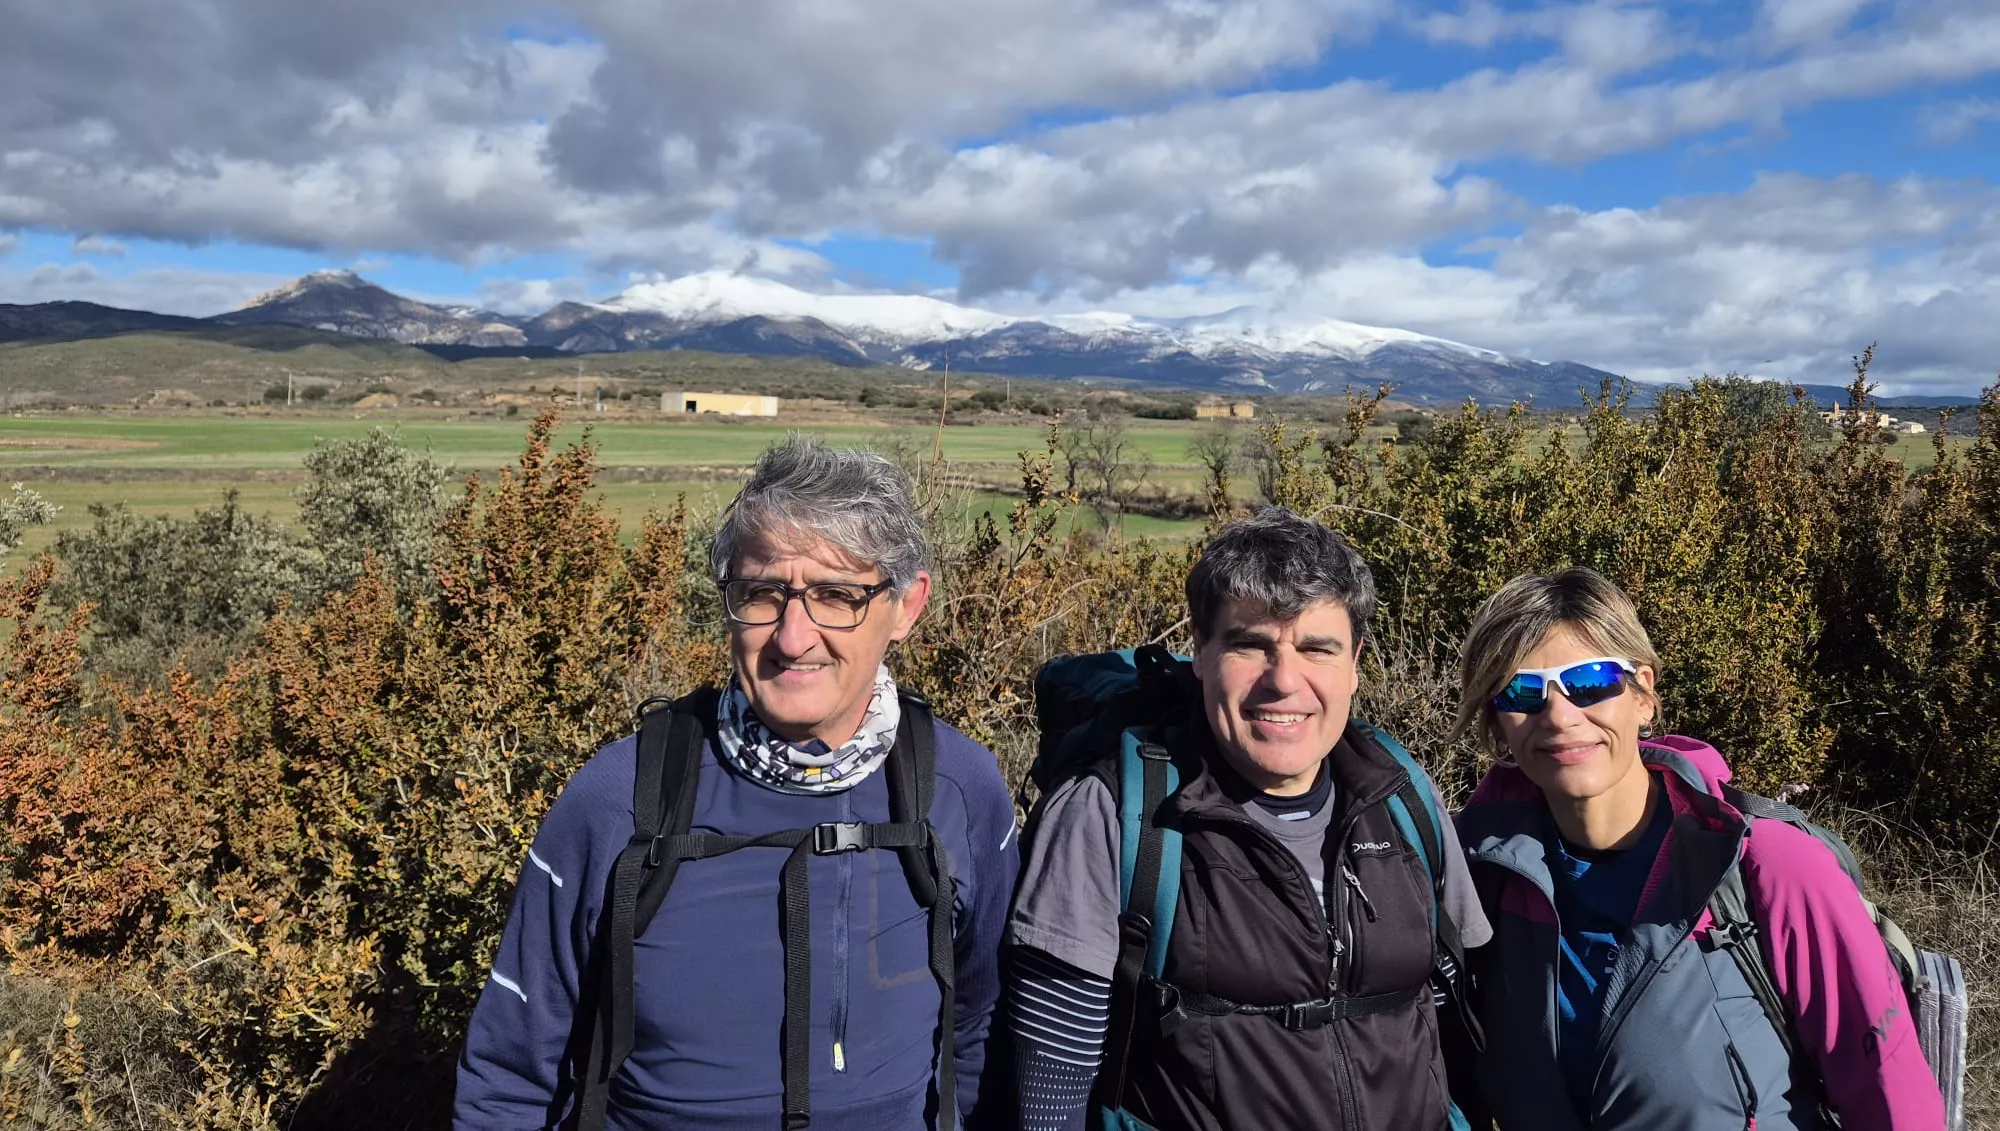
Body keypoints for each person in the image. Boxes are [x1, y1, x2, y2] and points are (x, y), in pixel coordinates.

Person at [455, 437, 1019, 1131]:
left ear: (906, 606)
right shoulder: (616, 801)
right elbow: (510, 1074)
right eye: (760, 593)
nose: (792, 636)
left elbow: (981, 1030)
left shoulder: (958, 792)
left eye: (837, 596)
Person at [1003, 506, 1491, 1131]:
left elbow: (1458, 1025)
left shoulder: (1400, 796)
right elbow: (1052, 1083)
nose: (1283, 681)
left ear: (1356, 663)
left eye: (1317, 648)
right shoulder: (1116, 814)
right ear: (1200, 654)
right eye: (1249, 645)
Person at [1452, 567, 1944, 1130]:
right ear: (1497, 722)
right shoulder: (1476, 875)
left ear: (1642, 695)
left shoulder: (1766, 867)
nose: (1560, 716)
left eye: (1590, 681)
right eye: (1521, 691)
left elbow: (1892, 1096)